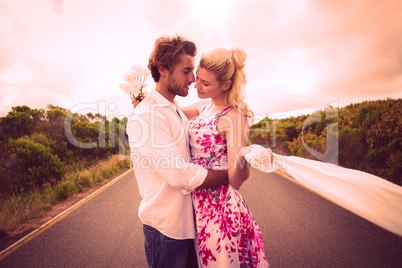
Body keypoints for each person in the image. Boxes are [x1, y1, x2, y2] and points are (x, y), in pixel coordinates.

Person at [126, 35, 230, 268]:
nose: (193, 79)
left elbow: (206, 106)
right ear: (163, 69)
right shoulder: (147, 116)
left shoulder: (172, 109)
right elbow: (179, 175)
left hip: (187, 224)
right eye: (186, 71)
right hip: (167, 229)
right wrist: (229, 175)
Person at [181, 48, 269, 267]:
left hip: (219, 210)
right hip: (194, 203)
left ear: (226, 85)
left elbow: (236, 181)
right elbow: (170, 114)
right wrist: (144, 103)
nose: (196, 85)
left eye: (205, 83)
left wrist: (244, 155)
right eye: (198, 78)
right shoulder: (203, 107)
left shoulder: (233, 118)